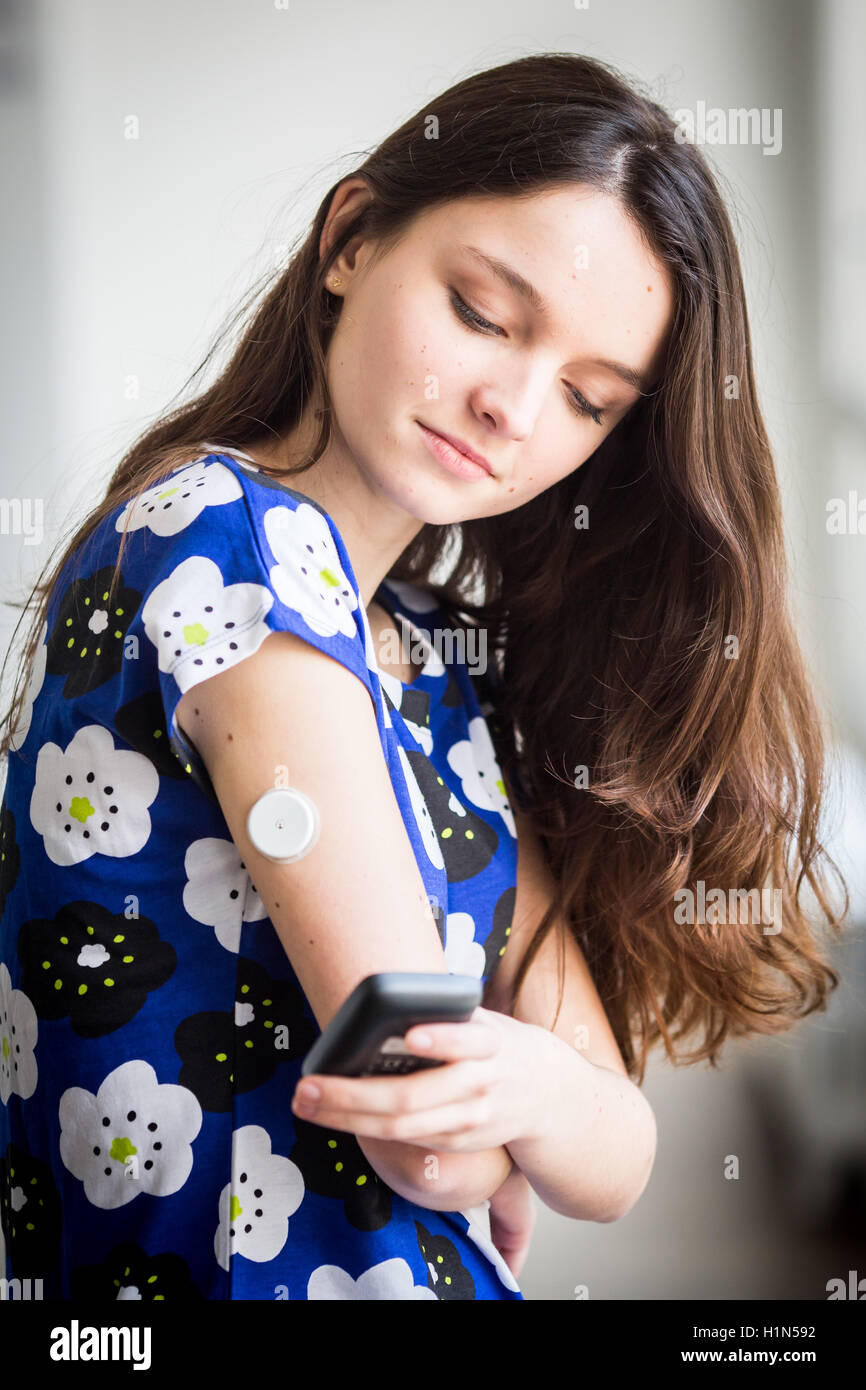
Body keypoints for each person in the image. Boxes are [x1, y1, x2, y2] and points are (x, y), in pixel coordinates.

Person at [0, 52, 847, 1302]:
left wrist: (535, 1100)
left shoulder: (430, 652)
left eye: (586, 398)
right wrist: (524, 1110)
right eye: (481, 314)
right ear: (351, 236)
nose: (512, 406)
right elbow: (420, 1130)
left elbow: (612, 1156)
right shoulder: (224, 544)